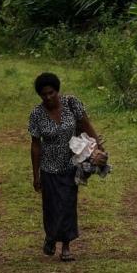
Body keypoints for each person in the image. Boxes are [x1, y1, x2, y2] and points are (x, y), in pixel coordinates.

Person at [28, 72, 103, 261]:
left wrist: (99, 150)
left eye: (51, 93)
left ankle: (66, 246)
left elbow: (87, 125)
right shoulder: (37, 114)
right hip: (48, 168)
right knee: (52, 207)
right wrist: (36, 175)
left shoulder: (72, 104)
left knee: (68, 205)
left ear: (57, 90)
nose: (48, 97)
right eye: (43, 95)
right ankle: (51, 238)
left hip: (71, 164)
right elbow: (36, 145)